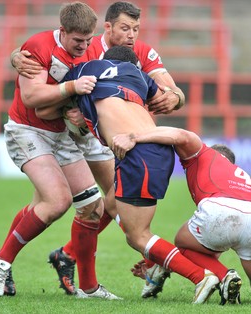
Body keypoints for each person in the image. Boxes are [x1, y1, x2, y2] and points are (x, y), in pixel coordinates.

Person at [10, 1, 186, 297]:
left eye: (136, 29)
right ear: (108, 27)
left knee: (111, 202)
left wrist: (176, 98)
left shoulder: (141, 52)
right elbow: (47, 72)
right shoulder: (85, 46)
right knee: (99, 202)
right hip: (87, 135)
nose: (131, 35)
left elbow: (173, 90)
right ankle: (145, 260)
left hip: (119, 136)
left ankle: (67, 255)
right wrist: (15, 57)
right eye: (125, 28)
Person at [45, 45, 220, 303]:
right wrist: (176, 96)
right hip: (159, 149)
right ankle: (119, 268)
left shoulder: (86, 69)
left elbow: (46, 101)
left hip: (137, 153)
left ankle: (199, 276)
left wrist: (69, 110)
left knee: (137, 235)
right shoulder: (140, 77)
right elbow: (166, 98)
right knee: (111, 203)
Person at [0, 2, 121, 300]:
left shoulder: (93, 50)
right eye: (78, 41)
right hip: (27, 131)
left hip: (62, 136)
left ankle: (89, 287)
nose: (84, 46)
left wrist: (81, 115)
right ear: (63, 31)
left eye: (88, 40)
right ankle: (1, 262)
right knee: (57, 202)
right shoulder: (38, 45)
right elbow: (33, 96)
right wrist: (71, 89)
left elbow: (87, 97)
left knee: (92, 208)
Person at [111, 126, 251, 306]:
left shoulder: (203, 154)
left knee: (182, 243)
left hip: (220, 208)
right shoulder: (237, 173)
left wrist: (134, 136)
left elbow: (181, 135)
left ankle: (225, 276)